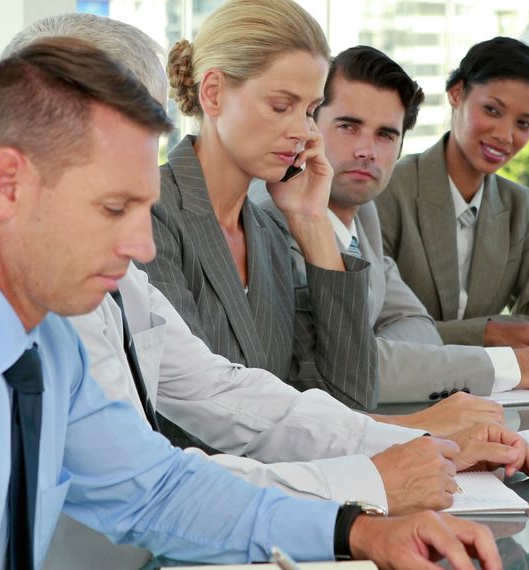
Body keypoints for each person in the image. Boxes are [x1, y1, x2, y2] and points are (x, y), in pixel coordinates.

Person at [0, 38, 502, 569]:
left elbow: (157, 492)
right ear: (7, 186)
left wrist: (358, 532)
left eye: (145, 209)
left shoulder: (41, 340)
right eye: (114, 210)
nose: (143, 247)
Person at [256, 45, 529, 402]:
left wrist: (384, 353)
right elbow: (337, 369)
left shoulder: (362, 214)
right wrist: (516, 360)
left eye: (386, 135)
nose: (367, 150)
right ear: (309, 123)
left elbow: (418, 327)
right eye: (348, 126)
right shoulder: (274, 217)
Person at [140, 0, 381, 412]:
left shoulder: (268, 234)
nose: (302, 132)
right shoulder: (150, 213)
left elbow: (349, 397)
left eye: (309, 111)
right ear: (213, 93)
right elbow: (196, 411)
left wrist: (311, 221)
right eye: (280, 106)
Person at [375, 37, 529, 349]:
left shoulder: (518, 206)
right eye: (493, 110)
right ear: (457, 93)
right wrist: (488, 333)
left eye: (523, 123)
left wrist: (461, 333)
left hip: (489, 391)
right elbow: (373, 326)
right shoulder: (389, 189)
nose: (505, 135)